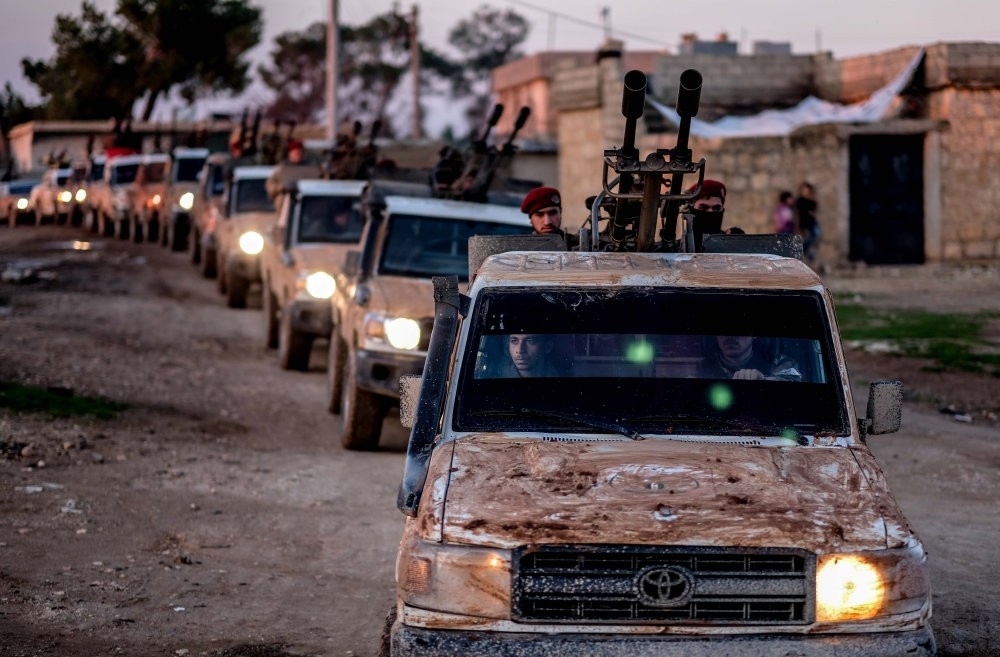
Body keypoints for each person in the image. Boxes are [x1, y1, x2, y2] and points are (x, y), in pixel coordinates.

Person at [700, 335, 801, 381]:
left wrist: (763, 380)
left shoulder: (775, 360)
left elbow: (791, 378)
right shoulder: (700, 365)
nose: (729, 336)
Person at [795, 181, 820, 264]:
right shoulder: (800, 200)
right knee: (810, 241)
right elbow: (801, 211)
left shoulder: (811, 200)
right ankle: (805, 251)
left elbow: (813, 209)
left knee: (815, 235)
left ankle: (804, 248)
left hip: (812, 223)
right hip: (804, 223)